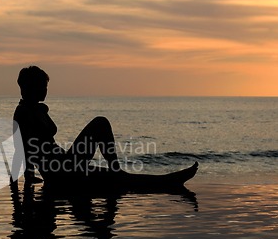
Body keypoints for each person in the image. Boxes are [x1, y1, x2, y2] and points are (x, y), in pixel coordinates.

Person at [13, 66, 198, 190]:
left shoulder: (35, 109)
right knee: (100, 123)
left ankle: (168, 181)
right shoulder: (23, 113)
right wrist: (22, 181)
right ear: (32, 87)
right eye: (43, 87)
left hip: (64, 165)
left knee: (116, 178)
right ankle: (165, 181)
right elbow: (21, 149)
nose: (46, 91)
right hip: (61, 171)